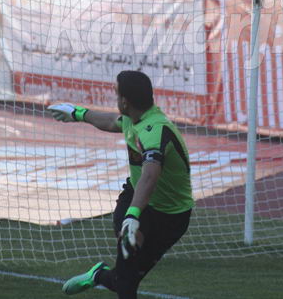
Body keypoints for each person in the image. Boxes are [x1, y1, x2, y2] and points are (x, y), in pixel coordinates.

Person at [48, 70, 193, 299]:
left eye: (116, 94)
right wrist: (78, 113)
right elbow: (110, 121)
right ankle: (109, 268)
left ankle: (98, 275)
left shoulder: (154, 131)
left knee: (123, 278)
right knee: (126, 282)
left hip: (171, 216)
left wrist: (133, 216)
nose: (115, 98)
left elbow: (150, 176)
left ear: (125, 102)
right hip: (134, 197)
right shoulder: (133, 118)